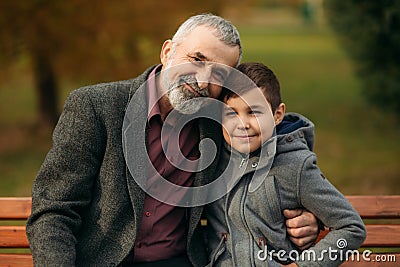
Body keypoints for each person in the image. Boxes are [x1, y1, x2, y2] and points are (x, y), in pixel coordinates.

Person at [26, 14, 319, 266]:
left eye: (220, 74)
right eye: (196, 60)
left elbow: (278, 141)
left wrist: (307, 214)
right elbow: (54, 211)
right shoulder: (96, 107)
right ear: (167, 52)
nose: (203, 81)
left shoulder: (222, 124)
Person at [205, 62, 366, 266]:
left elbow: (351, 227)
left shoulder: (295, 166)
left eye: (253, 112)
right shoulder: (212, 161)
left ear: (277, 115)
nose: (242, 124)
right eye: (231, 113)